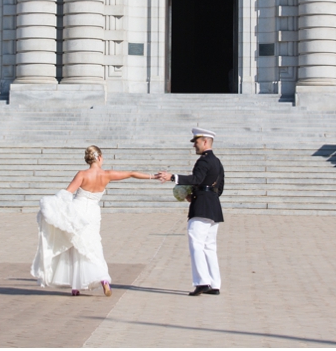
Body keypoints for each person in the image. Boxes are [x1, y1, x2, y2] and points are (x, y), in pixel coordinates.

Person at [31, 145, 157, 297]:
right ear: (99, 158)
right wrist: (152, 176)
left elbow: (67, 193)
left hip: (78, 211)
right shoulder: (107, 174)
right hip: (92, 213)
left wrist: (51, 206)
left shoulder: (82, 174)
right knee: (93, 245)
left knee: (76, 245)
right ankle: (103, 279)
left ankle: (76, 286)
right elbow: (130, 174)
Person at [156, 127, 225, 296]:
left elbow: (196, 179)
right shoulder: (217, 162)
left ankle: (202, 282)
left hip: (201, 208)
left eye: (196, 142)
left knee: (196, 244)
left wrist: (172, 177)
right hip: (214, 207)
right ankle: (215, 284)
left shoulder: (203, 161)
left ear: (205, 142)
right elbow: (220, 188)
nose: (195, 145)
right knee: (210, 247)